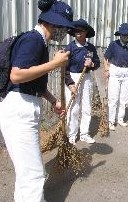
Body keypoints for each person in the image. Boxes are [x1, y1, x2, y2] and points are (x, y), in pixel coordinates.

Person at [0, 0, 73, 201]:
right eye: (64, 27)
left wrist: (53, 100)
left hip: (24, 106)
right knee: (33, 175)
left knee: (28, 173)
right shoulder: (33, 40)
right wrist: (54, 64)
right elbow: (17, 76)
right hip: (19, 110)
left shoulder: (40, 42)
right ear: (53, 23)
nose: (64, 32)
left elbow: (34, 83)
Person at [65, 19, 100, 145]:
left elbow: (97, 63)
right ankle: (72, 135)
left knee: (87, 107)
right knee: (74, 108)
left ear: (86, 32)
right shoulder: (70, 47)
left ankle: (84, 133)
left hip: (87, 77)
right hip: (74, 78)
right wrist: (70, 83)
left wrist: (92, 64)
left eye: (81, 31)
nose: (78, 33)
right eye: (76, 31)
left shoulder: (90, 48)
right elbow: (64, 69)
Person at [103, 23, 128, 131]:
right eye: (123, 35)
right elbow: (105, 58)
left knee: (124, 98)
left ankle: (120, 119)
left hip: (127, 71)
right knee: (113, 97)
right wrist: (106, 69)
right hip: (115, 70)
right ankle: (111, 121)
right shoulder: (114, 45)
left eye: (127, 35)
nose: (125, 37)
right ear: (120, 35)